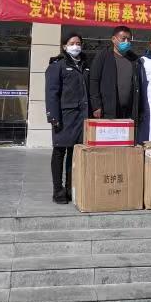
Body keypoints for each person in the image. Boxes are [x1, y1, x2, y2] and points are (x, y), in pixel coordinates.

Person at [45, 32, 91, 204]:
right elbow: (52, 93)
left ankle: (70, 188)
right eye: (72, 43)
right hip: (64, 117)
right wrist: (53, 116)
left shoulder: (86, 65)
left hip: (81, 117)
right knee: (59, 152)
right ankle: (58, 191)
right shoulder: (57, 66)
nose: (76, 46)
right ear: (64, 46)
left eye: (78, 43)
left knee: (74, 153)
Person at [89, 25, 140, 122]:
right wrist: (96, 105)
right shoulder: (103, 56)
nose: (126, 42)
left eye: (129, 39)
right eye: (123, 39)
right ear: (113, 39)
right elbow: (94, 81)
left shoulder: (134, 59)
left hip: (129, 111)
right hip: (108, 109)